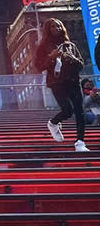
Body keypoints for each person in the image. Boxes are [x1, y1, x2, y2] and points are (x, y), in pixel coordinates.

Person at [35, 17, 88, 151]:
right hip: (56, 83)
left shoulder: (70, 45)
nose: (56, 29)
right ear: (48, 29)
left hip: (73, 81)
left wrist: (72, 58)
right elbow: (39, 66)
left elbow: (81, 65)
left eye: (58, 26)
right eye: (53, 27)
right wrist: (50, 57)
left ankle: (80, 142)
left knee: (79, 111)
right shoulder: (42, 47)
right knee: (67, 110)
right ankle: (53, 123)